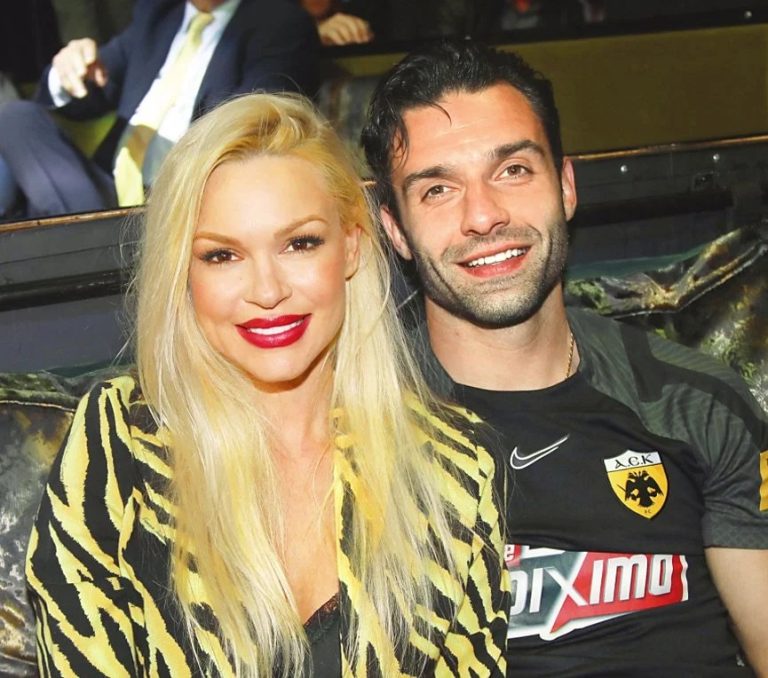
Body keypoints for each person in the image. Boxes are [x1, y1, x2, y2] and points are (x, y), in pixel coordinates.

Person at [25, 92, 508, 676]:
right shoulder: (119, 441)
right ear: (184, 273)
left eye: (299, 244)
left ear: (351, 247)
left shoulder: (453, 464)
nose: (267, 290)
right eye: (222, 255)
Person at [361, 40, 768, 675]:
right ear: (395, 231)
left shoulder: (696, 403)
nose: (483, 216)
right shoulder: (351, 432)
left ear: (566, 186)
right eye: (438, 189)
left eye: (512, 170)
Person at [0, 0, 319, 219]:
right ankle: (86, 242)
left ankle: (75, 244)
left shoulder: (279, 23)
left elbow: (255, 123)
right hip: (103, 193)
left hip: (182, 202)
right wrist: (67, 72)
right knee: (15, 117)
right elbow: (89, 95)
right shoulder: (157, 16)